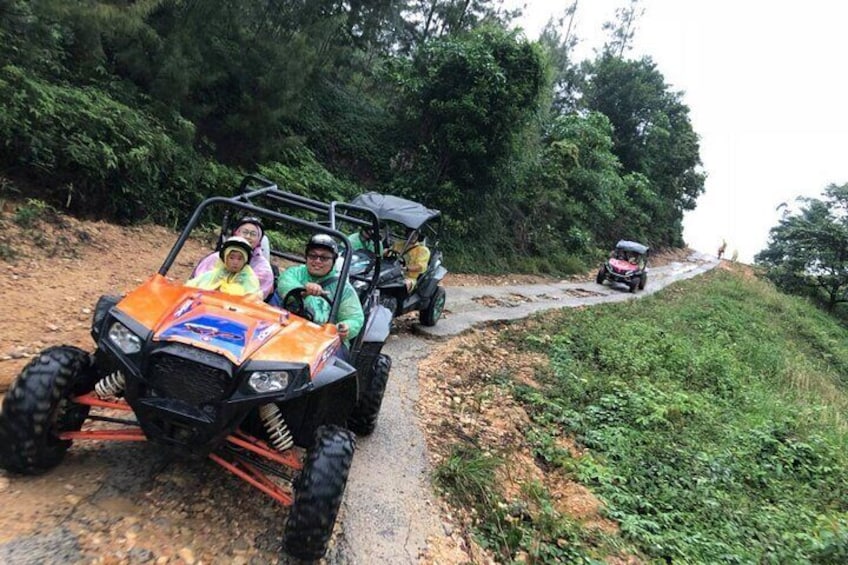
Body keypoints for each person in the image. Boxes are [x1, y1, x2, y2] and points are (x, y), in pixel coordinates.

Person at [275, 233, 365, 354]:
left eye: (324, 258)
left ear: (333, 261)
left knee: (337, 367)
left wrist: (346, 327)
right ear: (306, 257)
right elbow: (285, 285)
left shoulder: (343, 288)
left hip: (324, 340)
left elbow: (354, 318)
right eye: (313, 256)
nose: (317, 261)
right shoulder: (294, 273)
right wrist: (303, 290)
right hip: (288, 327)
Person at [192, 216, 274, 299]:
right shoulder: (216, 258)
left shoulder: (263, 268)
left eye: (253, 234)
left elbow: (256, 296)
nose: (248, 236)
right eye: (245, 232)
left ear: (259, 239)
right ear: (236, 233)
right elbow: (198, 282)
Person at [186, 236, 262, 300]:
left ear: (245, 261)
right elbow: (190, 287)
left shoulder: (250, 280)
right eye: (231, 258)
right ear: (225, 259)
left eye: (240, 259)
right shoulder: (211, 275)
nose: (235, 262)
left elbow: (253, 300)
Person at [385, 227, 430, 293]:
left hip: (409, 277)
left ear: (418, 236)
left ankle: (400, 302)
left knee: (403, 284)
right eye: (411, 233)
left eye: (415, 234)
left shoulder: (423, 250)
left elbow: (420, 267)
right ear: (407, 234)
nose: (413, 236)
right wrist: (385, 252)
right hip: (392, 273)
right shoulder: (399, 244)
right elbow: (388, 253)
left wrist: (405, 268)